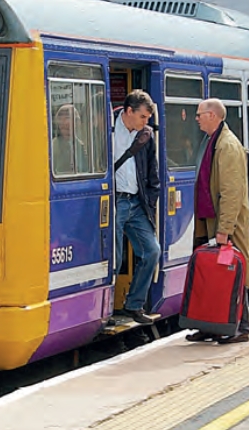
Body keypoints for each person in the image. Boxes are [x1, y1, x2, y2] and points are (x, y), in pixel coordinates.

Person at [185, 98, 249, 344]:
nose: (197, 118)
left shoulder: (228, 146)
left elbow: (232, 192)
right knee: (213, 274)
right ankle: (211, 325)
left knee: (231, 272)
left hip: (225, 224)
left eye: (200, 114)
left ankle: (241, 328)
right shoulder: (212, 141)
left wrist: (224, 230)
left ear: (213, 115)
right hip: (209, 219)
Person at [112, 90, 161, 324]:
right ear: (128, 111)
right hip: (114, 201)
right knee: (115, 257)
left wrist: (150, 201)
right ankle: (105, 310)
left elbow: (153, 172)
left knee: (152, 251)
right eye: (143, 117)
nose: (146, 123)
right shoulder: (106, 127)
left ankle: (134, 305)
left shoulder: (146, 135)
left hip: (136, 202)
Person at [51, 104, 88, 175]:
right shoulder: (53, 147)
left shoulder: (81, 145)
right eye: (61, 120)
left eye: (67, 118)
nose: (63, 123)